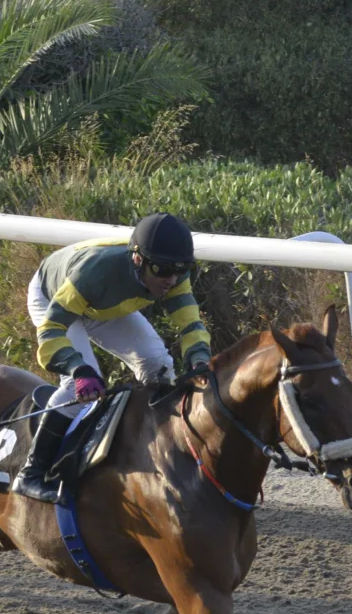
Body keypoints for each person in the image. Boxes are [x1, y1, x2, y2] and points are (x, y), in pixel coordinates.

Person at [13, 212, 212, 503]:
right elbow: (51, 332)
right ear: (138, 259)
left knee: (158, 364)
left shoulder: (172, 274)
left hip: (102, 305)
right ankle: (31, 473)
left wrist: (199, 359)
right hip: (55, 299)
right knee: (76, 386)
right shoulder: (95, 272)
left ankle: (155, 448)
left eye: (180, 270)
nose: (171, 279)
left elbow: (191, 325)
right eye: (163, 270)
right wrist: (78, 369)